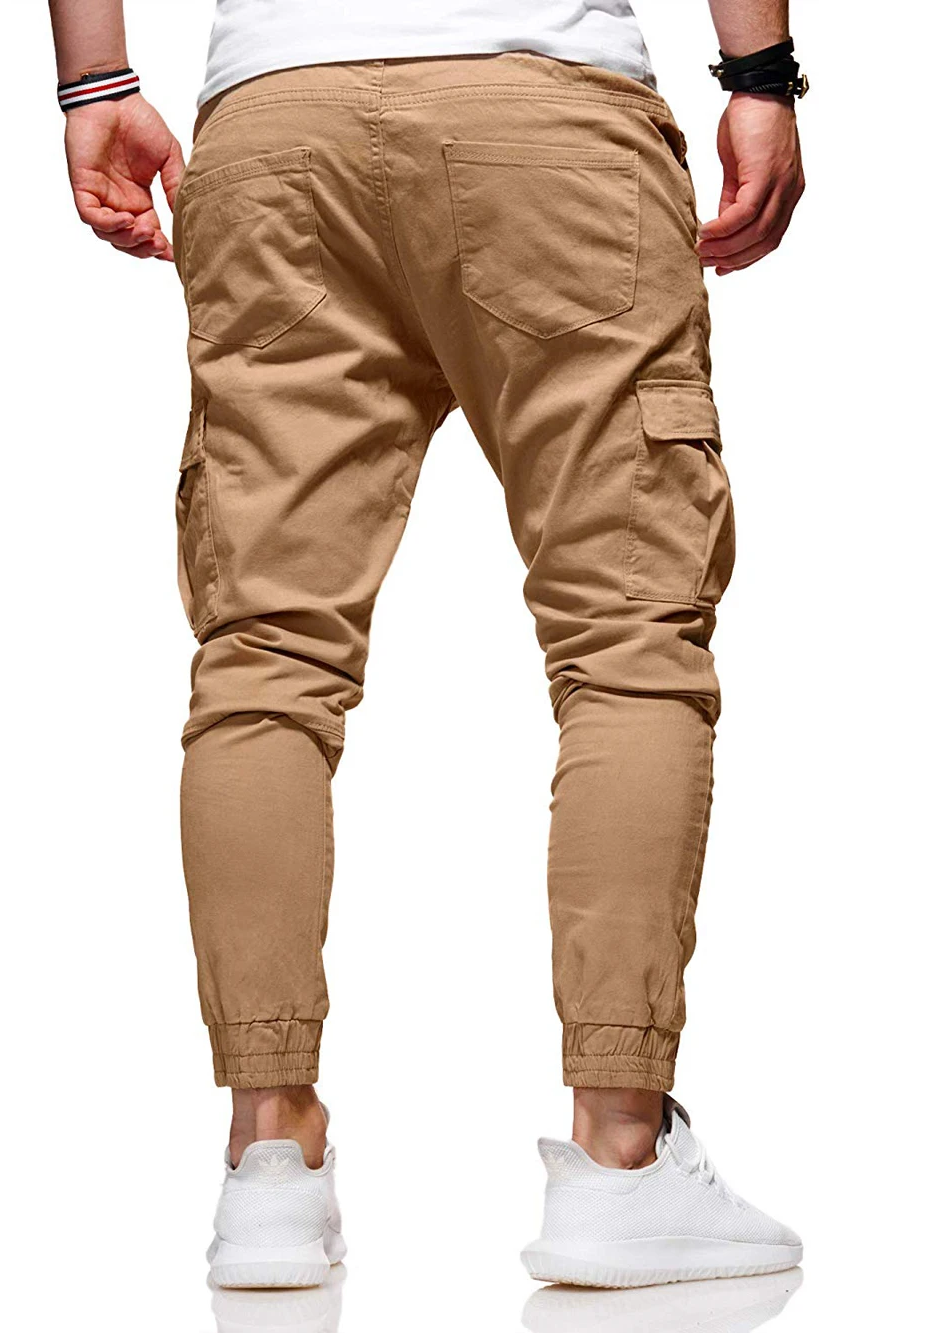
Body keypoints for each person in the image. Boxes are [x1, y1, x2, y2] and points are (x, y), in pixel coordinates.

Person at [49, 0, 806, 1291]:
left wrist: (94, 85)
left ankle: (268, 1163)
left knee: (265, 657)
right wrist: (761, 76)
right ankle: (619, 1163)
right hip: (550, 124)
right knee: (627, 642)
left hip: (279, 126)